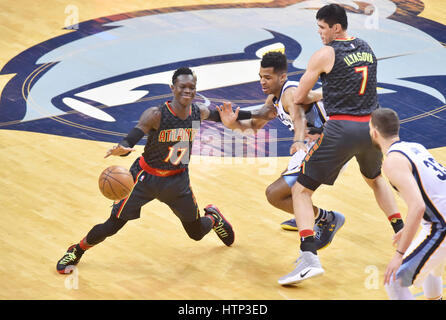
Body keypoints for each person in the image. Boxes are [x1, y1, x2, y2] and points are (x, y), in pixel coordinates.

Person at [56, 67, 271, 274]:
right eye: (182, 86)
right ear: (172, 88)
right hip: (144, 178)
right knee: (112, 225)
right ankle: (76, 250)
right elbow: (131, 139)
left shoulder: (199, 112)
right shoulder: (156, 114)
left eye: (192, 87)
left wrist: (264, 111)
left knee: (195, 233)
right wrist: (122, 149)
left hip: (177, 181)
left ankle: (214, 218)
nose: (187, 90)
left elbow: (230, 114)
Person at [279, 4, 404, 285]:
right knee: (375, 178)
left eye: (323, 28)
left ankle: (308, 255)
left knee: (300, 190)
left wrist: (312, 95)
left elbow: (299, 96)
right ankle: (402, 231)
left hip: (342, 129)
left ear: (337, 27)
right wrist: (327, 91)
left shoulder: (325, 54)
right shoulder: (366, 48)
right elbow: (362, 86)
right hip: (371, 127)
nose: (320, 34)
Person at [217, 50, 345, 250]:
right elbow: (254, 126)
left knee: (274, 194)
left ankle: (326, 219)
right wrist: (232, 124)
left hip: (328, 145)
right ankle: (305, 215)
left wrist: (298, 140)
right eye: (260, 77)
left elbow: (299, 118)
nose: (262, 82)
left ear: (282, 77)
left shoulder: (289, 93)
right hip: (316, 144)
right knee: (289, 183)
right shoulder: (273, 99)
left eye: (267, 77)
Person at [369, 108, 446, 300]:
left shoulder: (392, 161)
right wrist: (411, 229)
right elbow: (436, 190)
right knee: (432, 267)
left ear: (374, 132)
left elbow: (418, 206)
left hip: (441, 226)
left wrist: (399, 254)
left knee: (395, 280)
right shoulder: (415, 147)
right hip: (437, 221)